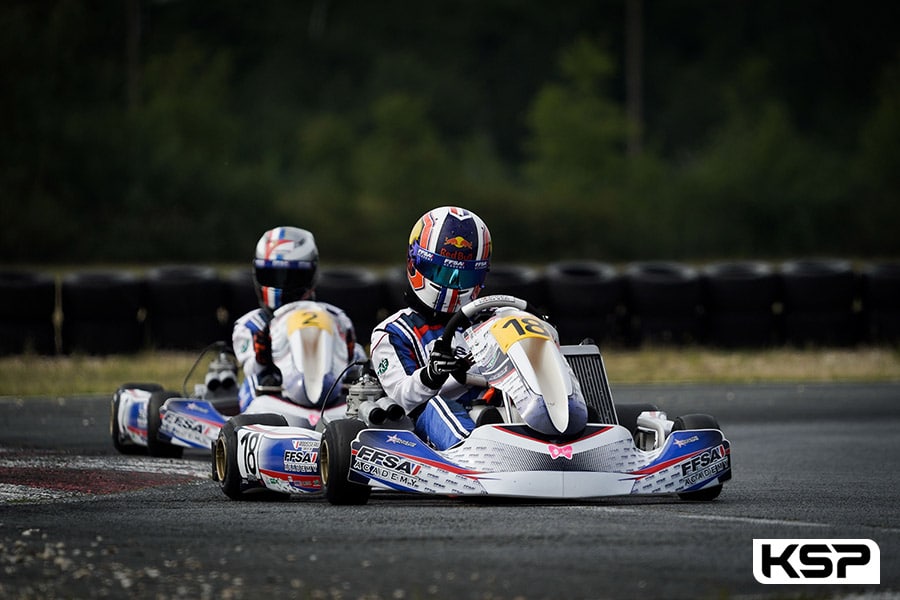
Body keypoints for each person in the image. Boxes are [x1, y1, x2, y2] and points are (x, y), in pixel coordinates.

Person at [369, 206, 493, 450]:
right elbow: (401, 397)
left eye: (465, 277)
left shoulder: (491, 320)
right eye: (442, 271)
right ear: (416, 264)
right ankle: (472, 451)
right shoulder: (393, 332)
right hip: (428, 425)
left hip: (496, 409)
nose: (454, 284)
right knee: (439, 404)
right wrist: (431, 375)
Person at [233, 226, 365, 410]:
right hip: (274, 404)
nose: (281, 284)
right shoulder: (250, 325)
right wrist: (262, 358)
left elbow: (357, 367)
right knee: (251, 385)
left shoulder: (336, 318)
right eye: (271, 275)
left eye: (291, 277)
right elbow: (252, 371)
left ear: (310, 276)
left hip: (334, 406)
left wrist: (352, 354)